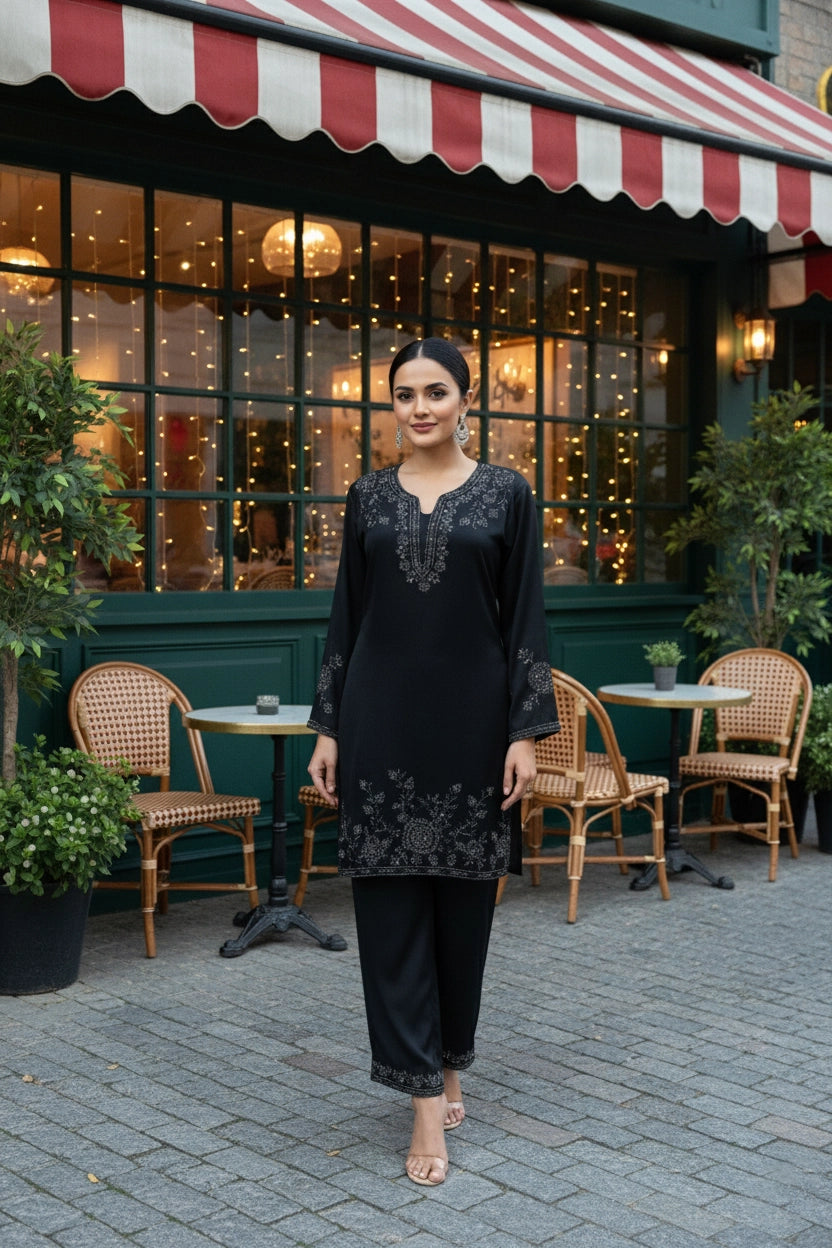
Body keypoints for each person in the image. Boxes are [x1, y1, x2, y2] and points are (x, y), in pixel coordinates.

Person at [307, 337, 559, 1187]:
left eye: (435, 392)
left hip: (473, 729)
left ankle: (452, 1059)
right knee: (388, 914)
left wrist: (524, 732)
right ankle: (422, 1105)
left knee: (463, 918)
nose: (418, 407)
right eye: (404, 394)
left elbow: (525, 618)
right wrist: (330, 727)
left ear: (466, 399)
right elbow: (348, 615)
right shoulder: (368, 497)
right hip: (380, 724)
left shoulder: (506, 494)